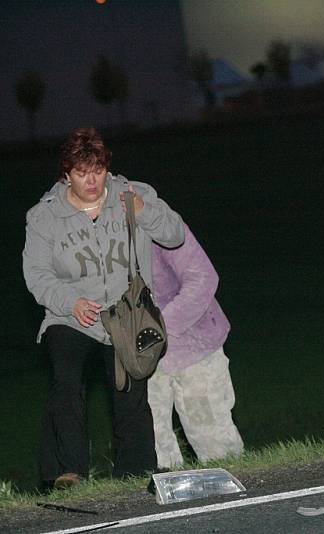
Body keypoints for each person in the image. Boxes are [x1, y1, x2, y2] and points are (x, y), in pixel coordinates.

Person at [22, 127, 185, 489]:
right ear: (67, 173)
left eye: (97, 170)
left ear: (106, 168)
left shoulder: (133, 195)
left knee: (130, 393)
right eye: (82, 173)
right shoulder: (44, 216)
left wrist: (145, 213)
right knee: (66, 382)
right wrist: (70, 301)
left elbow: (175, 234)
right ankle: (69, 471)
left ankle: (135, 473)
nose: (91, 180)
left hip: (125, 314)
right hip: (71, 316)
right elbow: (35, 274)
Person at [148, 224, 244, 468]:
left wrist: (158, 327)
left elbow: (202, 276)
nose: (91, 183)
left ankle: (238, 505)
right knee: (153, 451)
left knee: (216, 445)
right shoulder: (64, 224)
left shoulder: (153, 215)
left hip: (194, 346)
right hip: (137, 358)